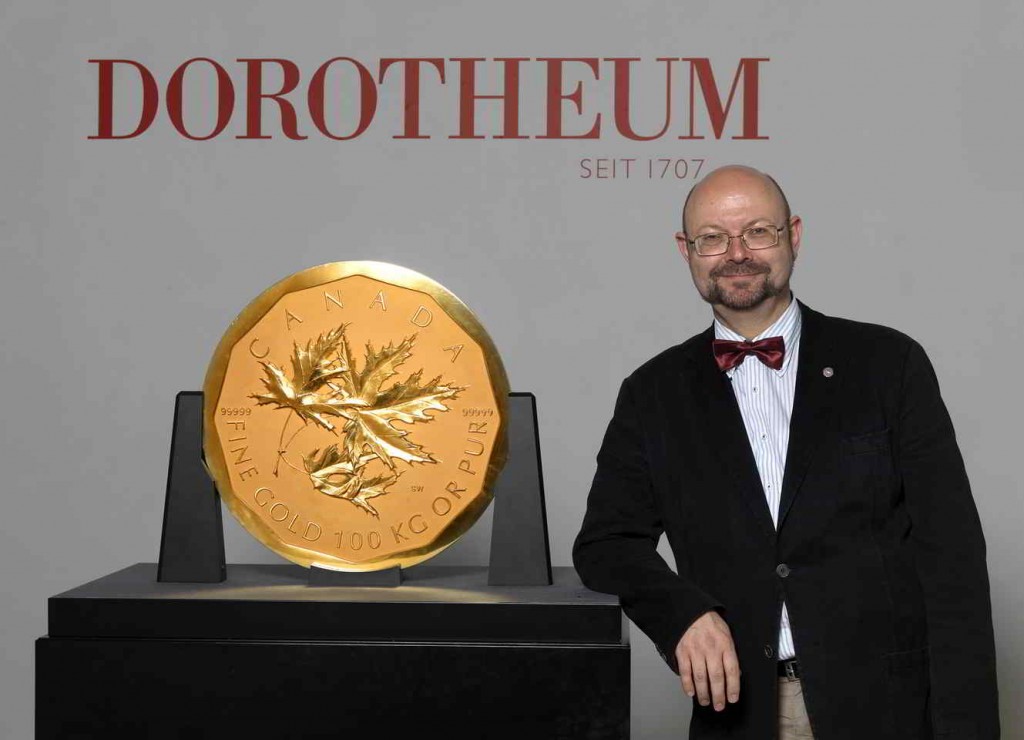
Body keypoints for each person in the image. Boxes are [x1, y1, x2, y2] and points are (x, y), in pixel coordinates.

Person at [572, 165, 999, 739]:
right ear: (687, 250)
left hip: (888, 709)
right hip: (740, 713)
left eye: (758, 232)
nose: (736, 253)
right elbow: (606, 545)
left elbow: (954, 562)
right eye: (713, 238)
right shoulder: (651, 393)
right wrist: (682, 614)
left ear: (793, 236)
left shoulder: (889, 364)